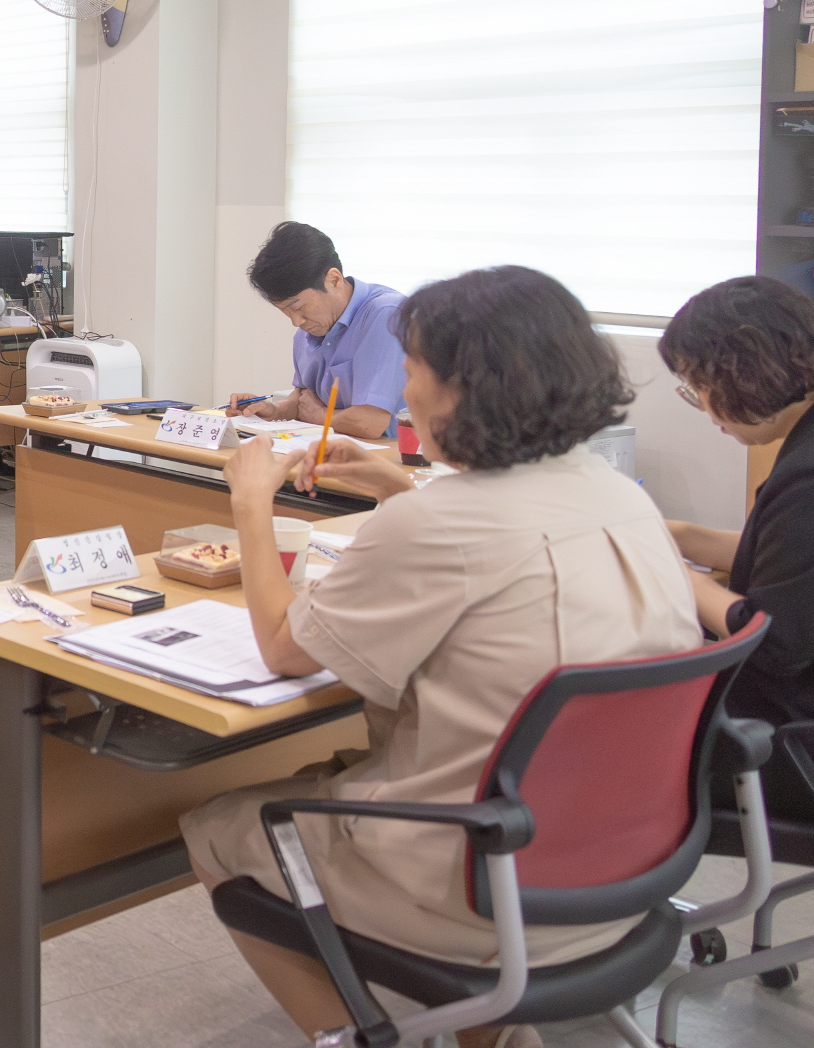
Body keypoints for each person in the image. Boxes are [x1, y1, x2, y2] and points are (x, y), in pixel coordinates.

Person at [185, 265, 698, 1048]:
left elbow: (286, 649)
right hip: (621, 870)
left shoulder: (439, 524)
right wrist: (402, 488)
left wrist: (251, 506)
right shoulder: (623, 496)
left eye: (413, 368)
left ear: (463, 389)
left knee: (216, 827)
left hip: (481, 883)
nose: (404, 389)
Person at [659, 275, 814, 821]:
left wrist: (676, 575)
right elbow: (789, 561)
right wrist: (681, 536)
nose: (704, 409)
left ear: (742, 374)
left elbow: (772, 640)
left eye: (698, 388)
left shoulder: (807, 478)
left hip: (790, 746)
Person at [227, 222, 405, 439]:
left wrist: (321, 416)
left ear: (334, 280)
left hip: (398, 455)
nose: (296, 321)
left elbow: (370, 423)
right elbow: (304, 399)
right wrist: (274, 411)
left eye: (299, 307)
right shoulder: (309, 328)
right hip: (338, 451)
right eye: (284, 311)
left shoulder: (388, 315)